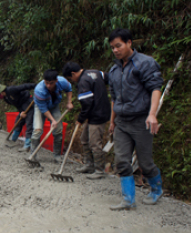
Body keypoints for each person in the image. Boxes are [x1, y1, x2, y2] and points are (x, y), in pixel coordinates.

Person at [108, 28, 164, 210]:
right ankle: (128, 199)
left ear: (129, 43)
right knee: (122, 161)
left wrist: (152, 114)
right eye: (112, 47)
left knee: (145, 163)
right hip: (121, 123)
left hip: (141, 120)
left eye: (118, 45)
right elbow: (114, 97)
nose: (115, 50)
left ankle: (156, 189)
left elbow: (155, 88)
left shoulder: (145, 63)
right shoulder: (114, 69)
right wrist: (112, 121)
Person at [62, 62, 111, 179]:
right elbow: (110, 78)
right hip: (98, 112)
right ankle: (89, 164)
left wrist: (80, 119)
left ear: (73, 74)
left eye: (70, 78)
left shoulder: (83, 81)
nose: (72, 80)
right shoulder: (95, 72)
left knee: (95, 143)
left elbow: (87, 103)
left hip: (97, 114)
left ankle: (99, 170)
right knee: (84, 139)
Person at [31, 69, 73, 163]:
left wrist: (69, 102)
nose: (49, 86)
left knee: (58, 130)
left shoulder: (62, 81)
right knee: (37, 130)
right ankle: (33, 155)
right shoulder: (39, 90)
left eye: (51, 83)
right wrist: (52, 120)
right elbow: (44, 109)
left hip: (54, 105)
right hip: (41, 107)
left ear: (56, 81)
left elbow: (69, 88)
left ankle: (57, 156)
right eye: (46, 83)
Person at [0, 83, 36, 152]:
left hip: (29, 104)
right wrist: (21, 112)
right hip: (22, 108)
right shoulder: (6, 98)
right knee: (18, 121)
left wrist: (37, 87)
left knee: (29, 123)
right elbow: (17, 105)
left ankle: (27, 145)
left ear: (2, 92)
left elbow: (25, 86)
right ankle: (13, 139)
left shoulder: (11, 90)